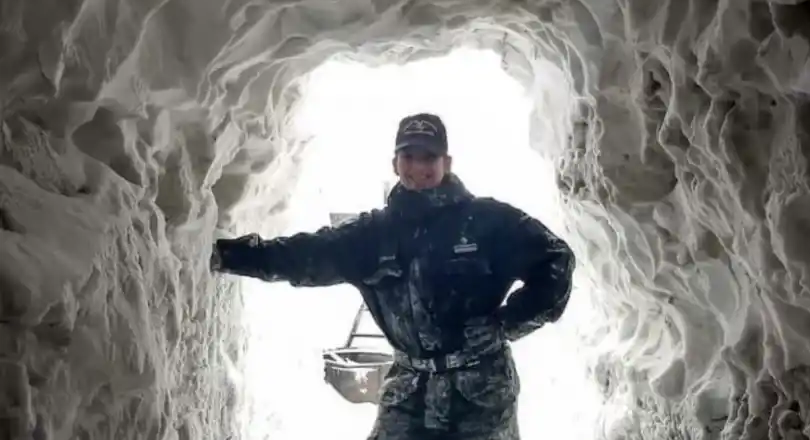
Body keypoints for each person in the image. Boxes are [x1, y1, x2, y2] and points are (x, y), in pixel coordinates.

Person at [210, 112, 575, 440]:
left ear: (446, 162)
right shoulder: (372, 234)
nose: (418, 167)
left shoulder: (488, 222)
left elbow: (555, 260)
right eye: (409, 157)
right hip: (408, 392)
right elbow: (304, 256)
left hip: (481, 393)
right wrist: (228, 256)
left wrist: (508, 321)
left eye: (429, 157)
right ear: (395, 163)